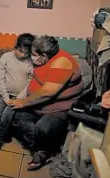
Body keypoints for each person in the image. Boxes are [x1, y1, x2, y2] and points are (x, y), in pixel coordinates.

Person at [8, 35, 84, 170]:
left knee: (43, 128)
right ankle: (38, 146)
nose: (31, 57)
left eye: (33, 54)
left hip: (59, 107)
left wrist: (24, 102)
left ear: (43, 55)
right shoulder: (44, 59)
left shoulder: (61, 62)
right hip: (38, 104)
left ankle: (43, 153)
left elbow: (48, 92)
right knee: (18, 117)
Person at [0, 33, 35, 146]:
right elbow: (0, 78)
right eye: (20, 51)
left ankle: (0, 138)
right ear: (16, 46)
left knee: (6, 116)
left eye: (26, 53)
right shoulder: (6, 57)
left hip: (19, 97)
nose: (22, 55)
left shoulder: (32, 62)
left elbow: (29, 83)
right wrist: (5, 97)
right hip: (2, 94)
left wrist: (18, 98)